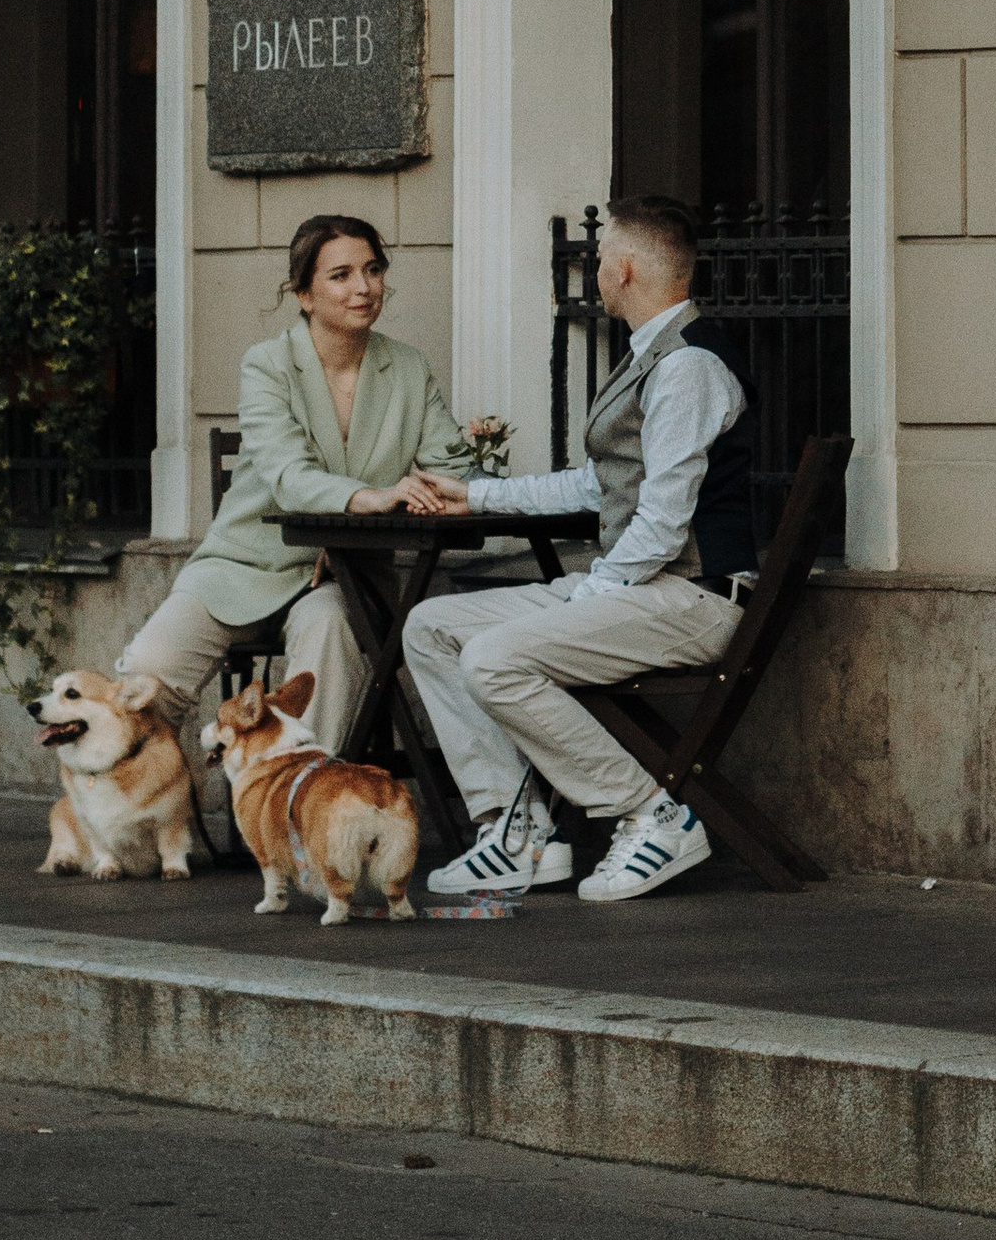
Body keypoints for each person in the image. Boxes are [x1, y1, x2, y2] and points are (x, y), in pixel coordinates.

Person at [400, 194, 754, 908]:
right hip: (645, 590)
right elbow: (603, 483)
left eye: (599, 259)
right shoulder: (652, 357)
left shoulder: (686, 367)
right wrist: (476, 495)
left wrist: (597, 590)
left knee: (496, 657)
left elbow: (661, 517)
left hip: (693, 597)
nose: (594, 270)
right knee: (431, 629)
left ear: (621, 269)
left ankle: (653, 812)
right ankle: (518, 827)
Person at [113, 213, 473, 751]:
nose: (363, 287)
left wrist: (379, 514)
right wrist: (365, 498)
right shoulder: (268, 365)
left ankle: (302, 808)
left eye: (372, 270)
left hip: (342, 577)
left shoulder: (408, 368)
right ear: (304, 294)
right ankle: (137, 819)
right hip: (246, 564)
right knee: (143, 679)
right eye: (341, 275)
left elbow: (454, 469)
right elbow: (286, 475)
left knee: (329, 637)